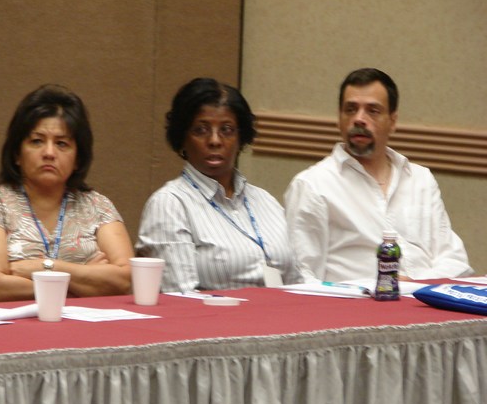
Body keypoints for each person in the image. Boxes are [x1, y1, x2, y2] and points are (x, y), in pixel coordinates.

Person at [284, 67, 474, 283]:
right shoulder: (313, 185)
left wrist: (413, 286)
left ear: (392, 121)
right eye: (350, 109)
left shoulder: (420, 180)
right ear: (339, 119)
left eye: (372, 111)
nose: (359, 119)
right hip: (355, 302)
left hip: (425, 298)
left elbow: (455, 262)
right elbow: (301, 278)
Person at [0, 84, 133, 301]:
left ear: (78, 158)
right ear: (17, 153)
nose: (49, 153)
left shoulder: (97, 206)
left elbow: (124, 280)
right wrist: (85, 279)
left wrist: (47, 267)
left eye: (62, 144)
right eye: (37, 141)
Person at [136, 77, 301, 292]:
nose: (215, 140)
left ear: (241, 139)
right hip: (217, 313)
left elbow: (297, 282)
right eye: (200, 130)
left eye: (227, 130)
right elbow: (181, 296)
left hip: (282, 310)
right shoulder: (170, 204)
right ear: (182, 138)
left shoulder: (265, 200)